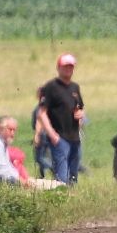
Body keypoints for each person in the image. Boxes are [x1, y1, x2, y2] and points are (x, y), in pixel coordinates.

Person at [37, 54, 85, 185]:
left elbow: (80, 108)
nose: (68, 69)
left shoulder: (75, 87)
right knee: (62, 176)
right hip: (60, 137)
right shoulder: (51, 87)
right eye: (65, 66)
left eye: (71, 66)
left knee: (73, 175)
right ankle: (61, 200)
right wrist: (52, 134)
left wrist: (80, 114)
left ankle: (73, 200)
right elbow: (42, 113)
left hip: (75, 137)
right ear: (58, 68)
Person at [30, 86, 53, 179]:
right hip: (50, 134)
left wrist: (36, 135)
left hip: (42, 134)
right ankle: (41, 175)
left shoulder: (40, 107)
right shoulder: (51, 106)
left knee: (39, 158)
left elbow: (38, 122)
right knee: (45, 155)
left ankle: (53, 169)